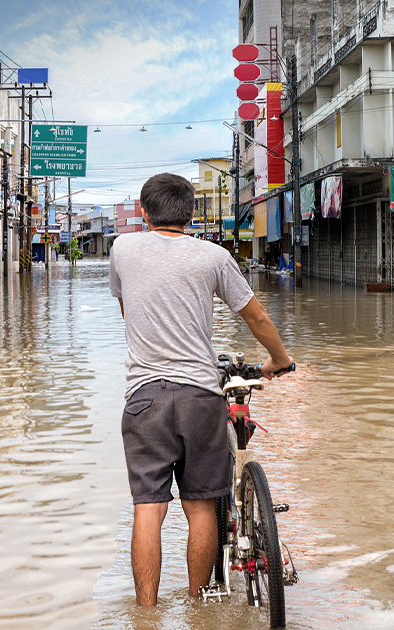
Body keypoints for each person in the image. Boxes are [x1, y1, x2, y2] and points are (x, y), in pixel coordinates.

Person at [109, 173, 295, 606]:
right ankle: (199, 606)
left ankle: (147, 613)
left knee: (148, 510)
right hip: (199, 397)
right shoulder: (213, 256)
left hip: (144, 399)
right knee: (201, 506)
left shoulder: (122, 249)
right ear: (192, 213)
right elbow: (258, 318)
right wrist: (280, 361)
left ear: (143, 210)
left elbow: (127, 310)